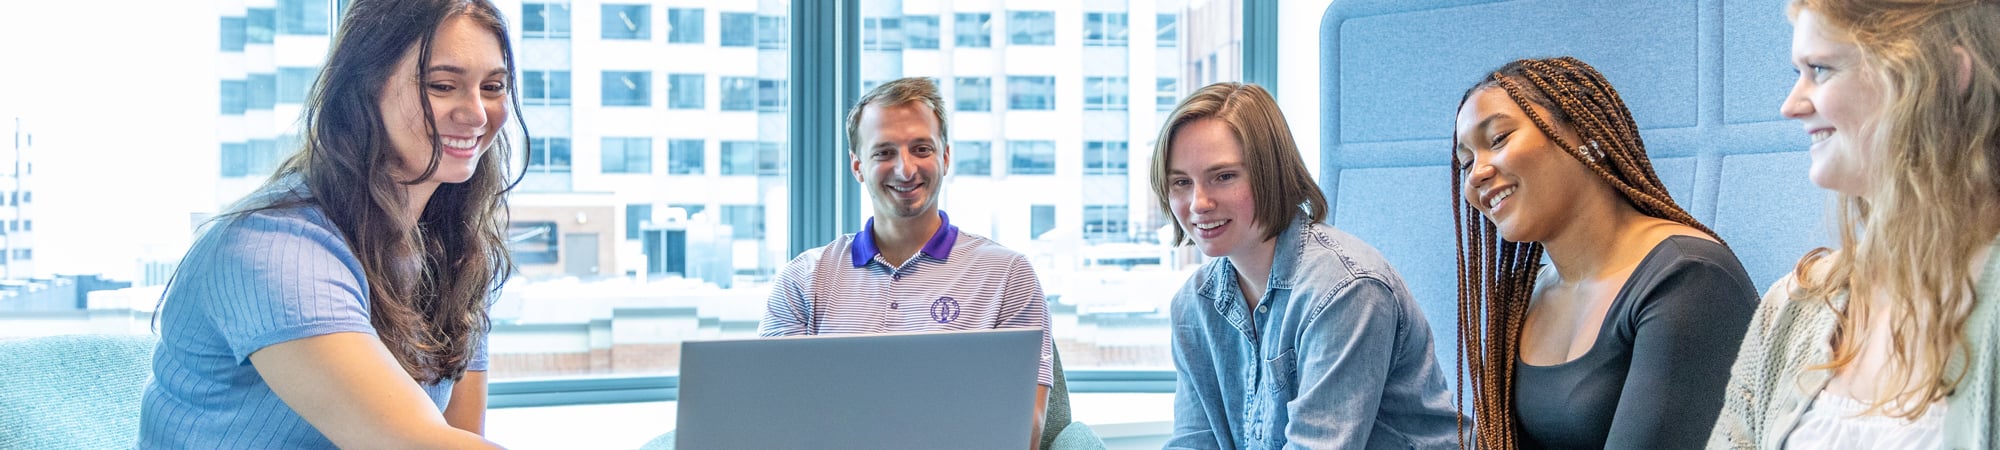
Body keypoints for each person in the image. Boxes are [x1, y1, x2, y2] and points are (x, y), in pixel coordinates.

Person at [138, 0, 523, 448]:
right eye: (442, 85)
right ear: (364, 88)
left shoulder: (450, 254)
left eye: (493, 87)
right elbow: (414, 443)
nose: (477, 113)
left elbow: (458, 436)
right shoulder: (272, 250)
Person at [1708, 0, 2000, 448]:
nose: (1790, 106)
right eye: (1797, 72)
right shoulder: (1794, 305)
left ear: (1944, 73)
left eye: (1820, 69)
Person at [1448, 56, 1759, 449]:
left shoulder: (1690, 277)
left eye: (1498, 139)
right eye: (1466, 163)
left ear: (1584, 134)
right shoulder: (1519, 298)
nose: (1476, 174)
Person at [1158, 82, 1461, 449]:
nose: (1198, 203)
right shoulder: (1194, 305)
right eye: (1181, 182)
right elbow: (1193, 442)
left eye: (1224, 176)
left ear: (1271, 173)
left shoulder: (1346, 290)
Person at [759, 76, 1055, 446]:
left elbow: (1023, 432)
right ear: (857, 166)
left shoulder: (1008, 274)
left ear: (945, 157)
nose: (905, 169)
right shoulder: (803, 278)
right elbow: (774, 416)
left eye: (921, 149)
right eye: (883, 152)